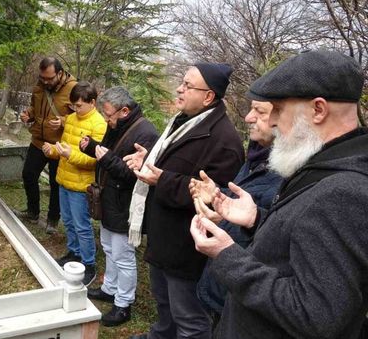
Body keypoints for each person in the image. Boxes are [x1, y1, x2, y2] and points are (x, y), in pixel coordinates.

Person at [190, 49, 368, 339]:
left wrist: (228, 257)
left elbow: (316, 316)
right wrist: (256, 220)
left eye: (279, 109)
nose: (272, 122)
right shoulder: (325, 167)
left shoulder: (343, 191)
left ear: (318, 110)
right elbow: (301, 253)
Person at [124, 63, 244, 339]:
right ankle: (161, 335)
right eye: (183, 82)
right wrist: (148, 159)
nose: (179, 88)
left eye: (188, 85)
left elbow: (214, 199)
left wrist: (161, 179)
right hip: (163, 236)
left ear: (208, 97)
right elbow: (172, 166)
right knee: (164, 302)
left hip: (187, 247)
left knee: (189, 317)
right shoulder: (181, 122)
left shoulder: (223, 141)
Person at [189, 100, 282, 327]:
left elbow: (275, 237)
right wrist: (217, 197)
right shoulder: (257, 157)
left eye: (259, 112)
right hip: (225, 283)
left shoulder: (288, 170)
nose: (248, 117)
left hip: (249, 294)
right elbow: (250, 211)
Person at [79, 87, 159, 326]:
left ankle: (124, 304)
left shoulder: (145, 133)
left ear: (124, 111)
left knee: (123, 255)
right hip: (109, 200)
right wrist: (92, 147)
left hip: (125, 204)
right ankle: (109, 288)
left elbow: (133, 174)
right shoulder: (119, 126)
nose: (106, 120)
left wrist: (104, 158)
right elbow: (109, 153)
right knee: (108, 247)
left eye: (109, 115)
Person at [42, 81, 106, 285]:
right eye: (74, 106)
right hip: (64, 179)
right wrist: (52, 150)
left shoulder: (99, 125)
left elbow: (95, 159)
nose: (76, 110)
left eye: (79, 106)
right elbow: (64, 147)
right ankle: (74, 253)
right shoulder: (70, 119)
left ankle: (89, 265)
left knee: (82, 226)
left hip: (82, 185)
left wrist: (70, 155)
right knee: (68, 222)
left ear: (92, 102)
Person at [17, 57, 77, 234]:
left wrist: (64, 121)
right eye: (42, 77)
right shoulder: (40, 86)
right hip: (38, 141)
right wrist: (29, 115)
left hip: (59, 146)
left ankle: (52, 219)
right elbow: (35, 108)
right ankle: (32, 212)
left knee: (55, 183)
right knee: (28, 175)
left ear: (59, 73)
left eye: (49, 78)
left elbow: (82, 115)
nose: (45, 82)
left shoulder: (73, 89)